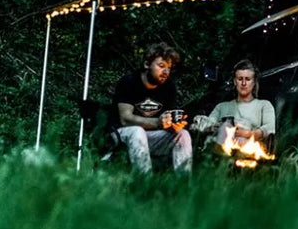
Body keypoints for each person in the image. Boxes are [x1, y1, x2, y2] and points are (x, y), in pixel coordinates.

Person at [113, 42, 192, 173]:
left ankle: (183, 187)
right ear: (147, 64)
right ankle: (145, 184)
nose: (166, 72)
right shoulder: (129, 82)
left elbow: (168, 118)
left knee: (183, 134)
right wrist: (157, 122)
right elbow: (125, 119)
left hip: (152, 137)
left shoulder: (169, 87)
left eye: (169, 68)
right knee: (137, 131)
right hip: (122, 134)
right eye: (161, 66)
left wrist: (174, 124)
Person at [192, 59, 275, 151]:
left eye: (247, 79)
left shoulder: (264, 106)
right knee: (224, 127)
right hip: (222, 149)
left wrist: (247, 133)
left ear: (254, 82)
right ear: (235, 81)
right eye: (240, 79)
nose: (243, 83)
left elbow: (269, 129)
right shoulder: (222, 107)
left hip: (251, 152)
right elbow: (209, 123)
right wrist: (201, 122)